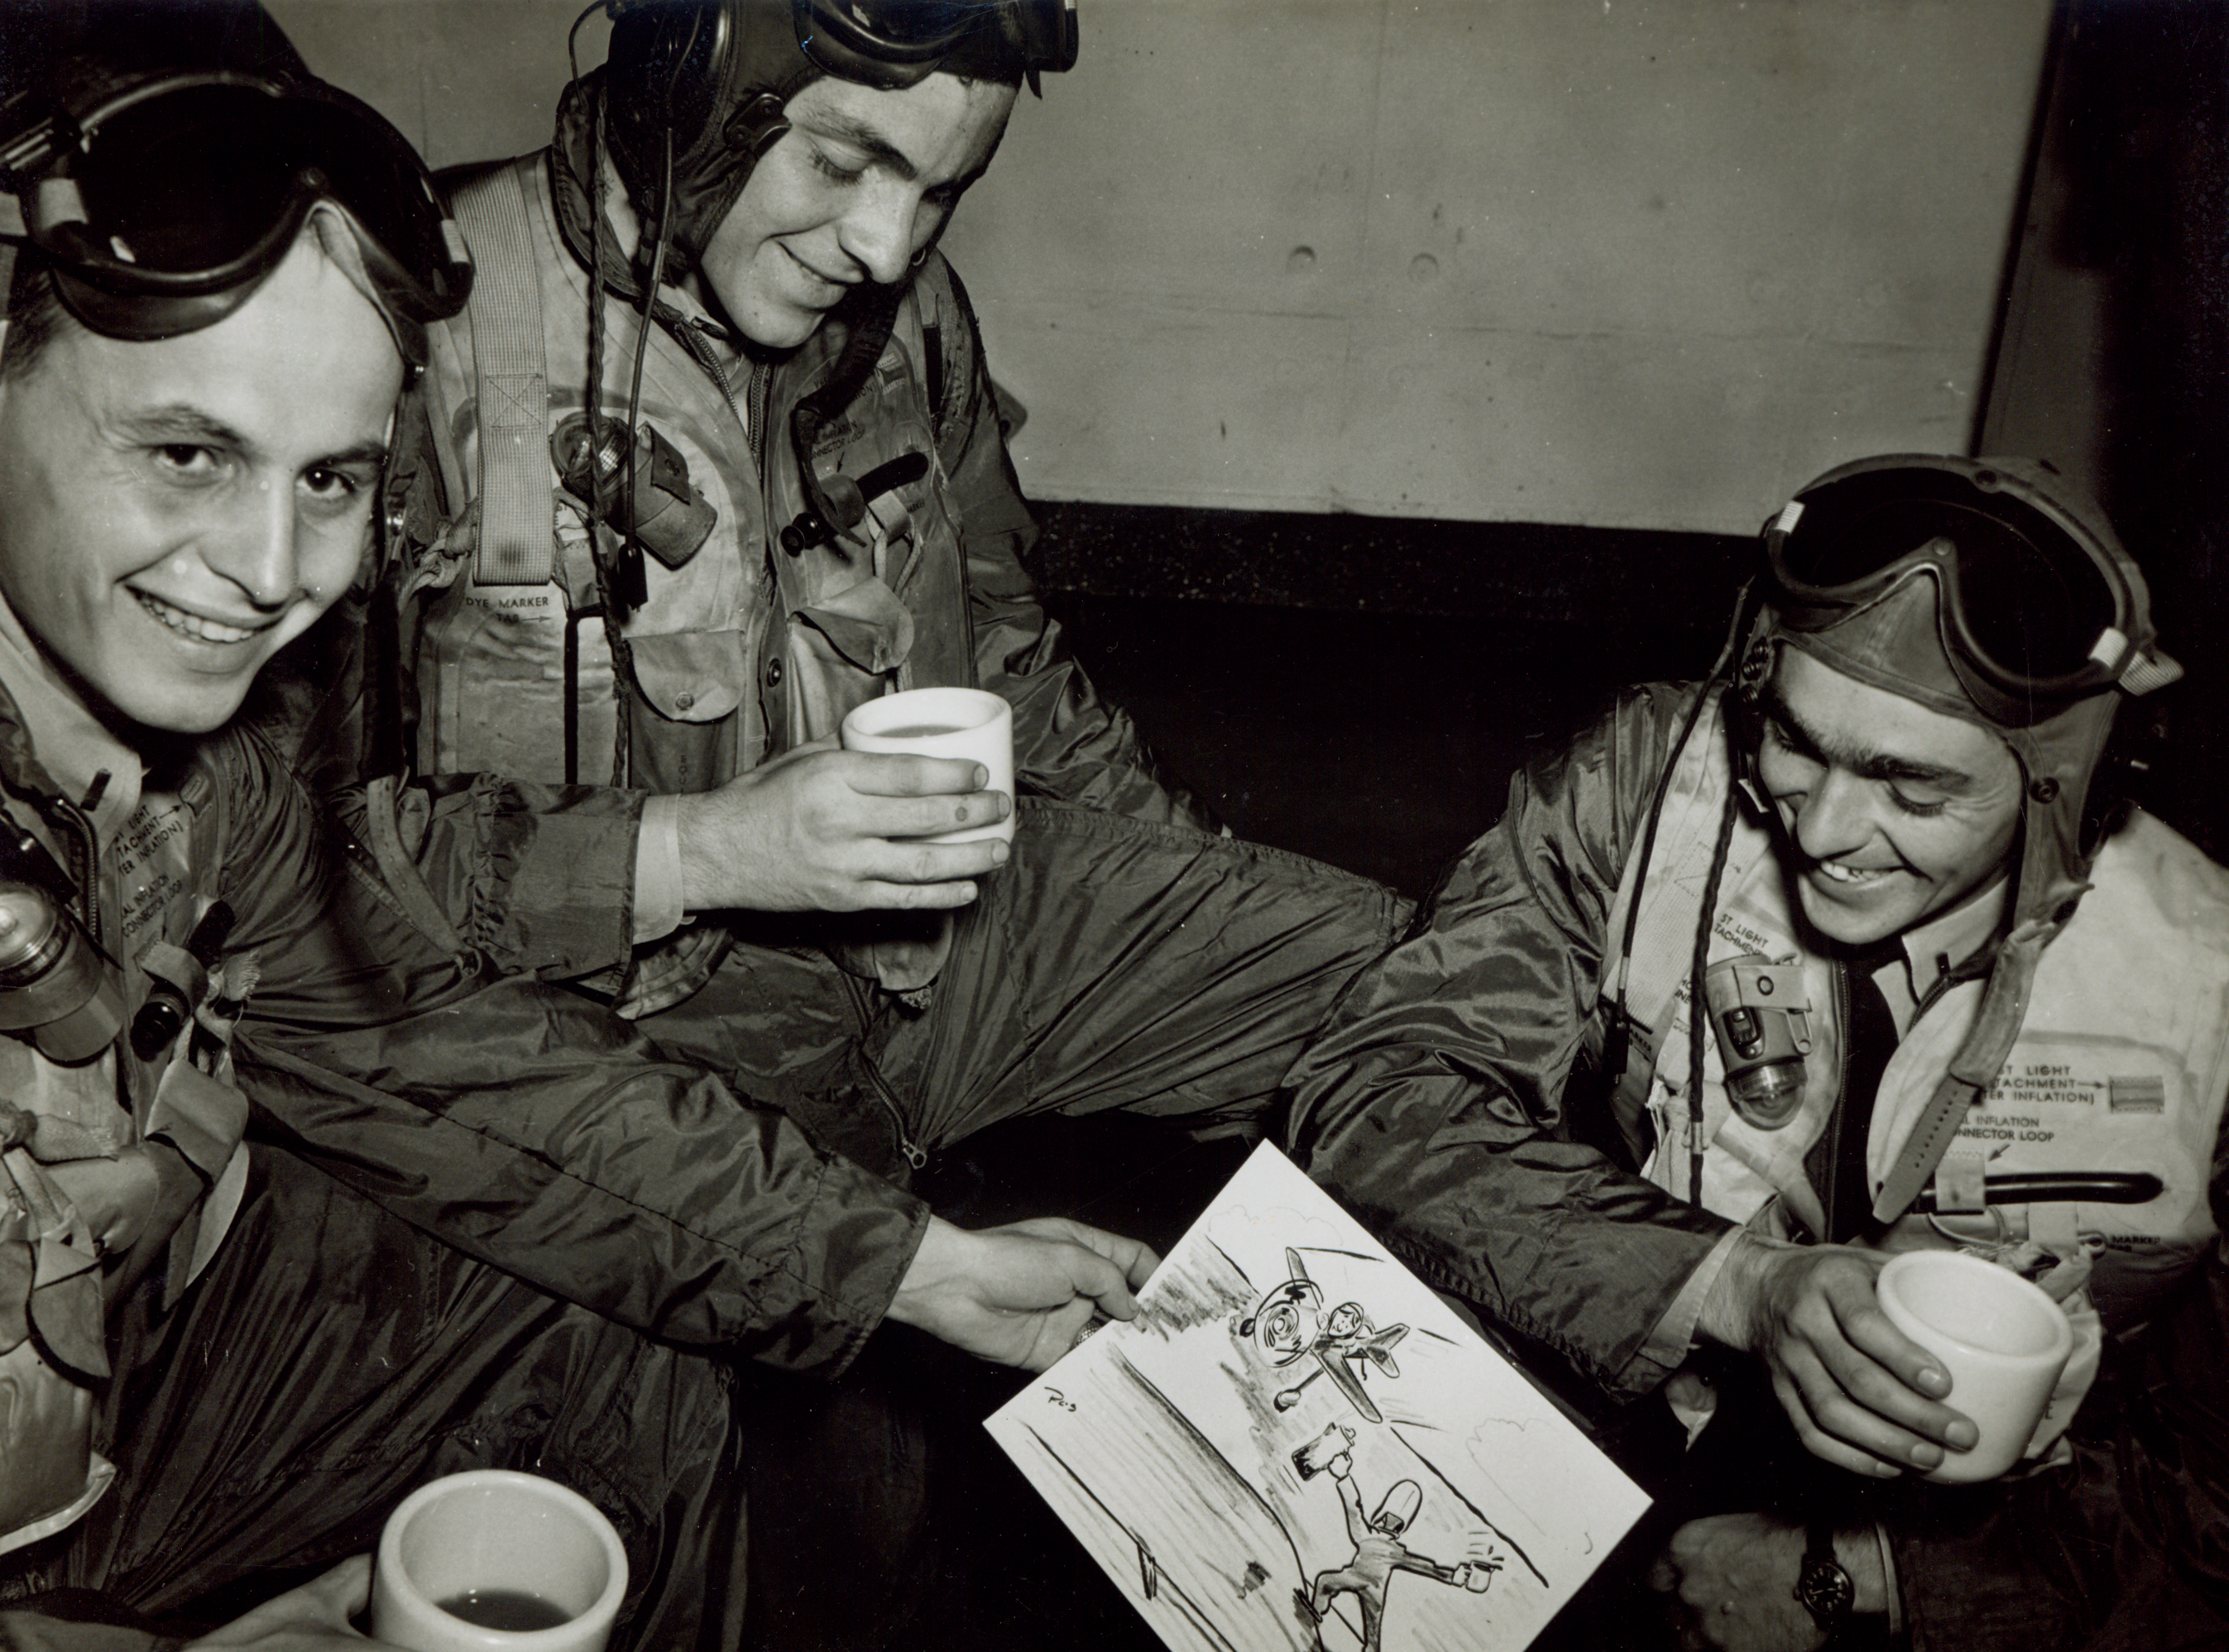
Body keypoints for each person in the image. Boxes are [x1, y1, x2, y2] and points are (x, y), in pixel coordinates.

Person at [0, 7, 1172, 1646]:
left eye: (331, 478)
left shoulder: (225, 776)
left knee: (626, 1323)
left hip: (145, 1362)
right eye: (186, 451)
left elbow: (431, 1052)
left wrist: (905, 1267)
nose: (269, 569)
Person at [303, 7, 1406, 1640]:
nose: (887, 241)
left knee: (1402, 985)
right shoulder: (410, 333)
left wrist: (1192, 892)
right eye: (844, 160)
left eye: (941, 192)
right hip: (613, 1058)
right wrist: (715, 852)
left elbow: (1006, 649)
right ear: (692, 83)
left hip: (932, 972)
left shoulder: (903, 314)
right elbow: (314, 896)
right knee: (741, 1570)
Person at [1283, 453, 2229, 1649]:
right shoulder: (1638, 786)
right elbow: (1379, 1091)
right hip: (1621, 1403)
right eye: (1793, 738)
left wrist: (1874, 1580)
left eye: (1910, 786)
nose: (1824, 831)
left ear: (2067, 787)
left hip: (2004, 1543)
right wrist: (1737, 1285)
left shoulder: (2209, 985)